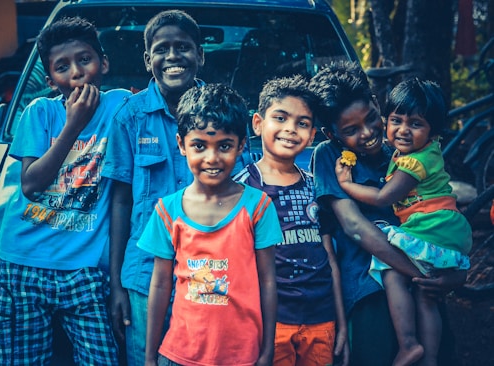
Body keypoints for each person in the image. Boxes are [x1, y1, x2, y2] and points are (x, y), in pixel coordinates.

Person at [102, 10, 252, 365]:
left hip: (209, 272)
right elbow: (120, 203)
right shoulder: (130, 116)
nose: (172, 56)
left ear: (200, 55)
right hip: (143, 273)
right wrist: (116, 284)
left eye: (183, 47)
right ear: (147, 59)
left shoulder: (224, 111)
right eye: (162, 49)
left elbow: (239, 193)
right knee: (148, 358)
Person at [309, 60, 468, 366]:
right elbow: (355, 227)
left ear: (376, 104)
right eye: (351, 130)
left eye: (371, 118)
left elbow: (441, 212)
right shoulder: (328, 156)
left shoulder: (403, 151)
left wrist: (454, 276)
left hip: (424, 290)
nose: (368, 133)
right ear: (332, 134)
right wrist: (420, 273)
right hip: (372, 289)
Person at [0, 16, 131, 365]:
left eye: (85, 59)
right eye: (62, 67)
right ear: (51, 79)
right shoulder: (39, 113)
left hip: (83, 268)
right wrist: (73, 126)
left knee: (104, 357)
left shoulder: (120, 107)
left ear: (104, 63)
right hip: (23, 260)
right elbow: (31, 185)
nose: (76, 72)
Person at [138, 83, 282, 366]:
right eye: (199, 146)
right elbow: (160, 285)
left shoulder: (258, 207)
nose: (212, 158)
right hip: (179, 354)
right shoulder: (167, 211)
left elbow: (268, 282)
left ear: (242, 145)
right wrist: (149, 356)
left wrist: (267, 351)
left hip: (243, 357)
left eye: (225, 146)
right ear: (181, 145)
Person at [233, 75, 349, 366]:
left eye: (302, 123)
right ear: (258, 123)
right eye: (280, 118)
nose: (290, 129)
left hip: (321, 318)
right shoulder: (242, 188)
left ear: (312, 136)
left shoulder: (317, 186)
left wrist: (342, 322)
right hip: (272, 322)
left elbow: (330, 257)